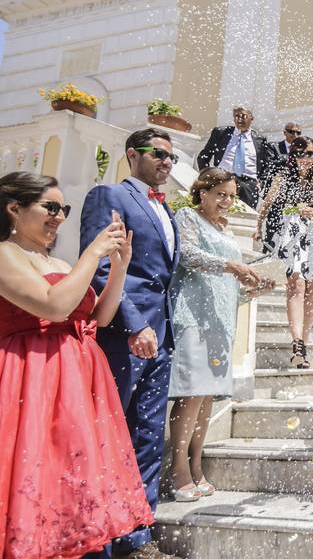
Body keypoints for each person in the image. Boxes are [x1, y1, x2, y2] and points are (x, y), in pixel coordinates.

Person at [0, 172, 153, 559]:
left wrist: (120, 267)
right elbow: (52, 305)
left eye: (63, 209)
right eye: (50, 207)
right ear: (14, 209)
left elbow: (98, 317)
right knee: (35, 470)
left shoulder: (57, 260)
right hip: (30, 378)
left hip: (76, 379)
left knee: (71, 478)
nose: (59, 216)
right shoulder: (4, 254)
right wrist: (92, 253)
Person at [79, 128, 183, 559]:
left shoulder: (167, 209)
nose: (166, 162)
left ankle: (137, 537)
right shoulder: (109, 195)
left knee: (146, 435)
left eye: (171, 158)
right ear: (132, 154)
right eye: (158, 154)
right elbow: (100, 266)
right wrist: (134, 323)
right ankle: (94, 537)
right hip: (123, 334)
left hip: (162, 336)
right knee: (107, 433)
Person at [167, 168, 268, 502]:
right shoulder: (188, 217)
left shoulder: (226, 229)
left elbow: (227, 282)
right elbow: (189, 257)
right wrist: (233, 267)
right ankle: (178, 468)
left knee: (208, 396)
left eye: (231, 195)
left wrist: (252, 290)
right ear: (203, 192)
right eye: (221, 194)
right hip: (193, 314)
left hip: (222, 319)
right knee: (192, 393)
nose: (227, 201)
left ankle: (197, 465)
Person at [255, 136, 313, 368]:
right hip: (291, 232)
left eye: (310, 154)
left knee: (312, 291)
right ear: (292, 156)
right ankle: (297, 343)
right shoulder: (282, 178)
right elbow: (267, 204)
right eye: (300, 154)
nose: (305, 158)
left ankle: (304, 344)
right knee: (296, 285)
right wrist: (258, 227)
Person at [197, 105, 278, 208]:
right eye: (236, 116)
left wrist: (260, 183)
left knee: (245, 218)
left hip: (249, 185)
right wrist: (206, 177)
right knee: (218, 213)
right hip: (223, 179)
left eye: (243, 116)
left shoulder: (260, 139)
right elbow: (204, 156)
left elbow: (266, 164)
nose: (239, 119)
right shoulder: (221, 133)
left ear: (251, 117)